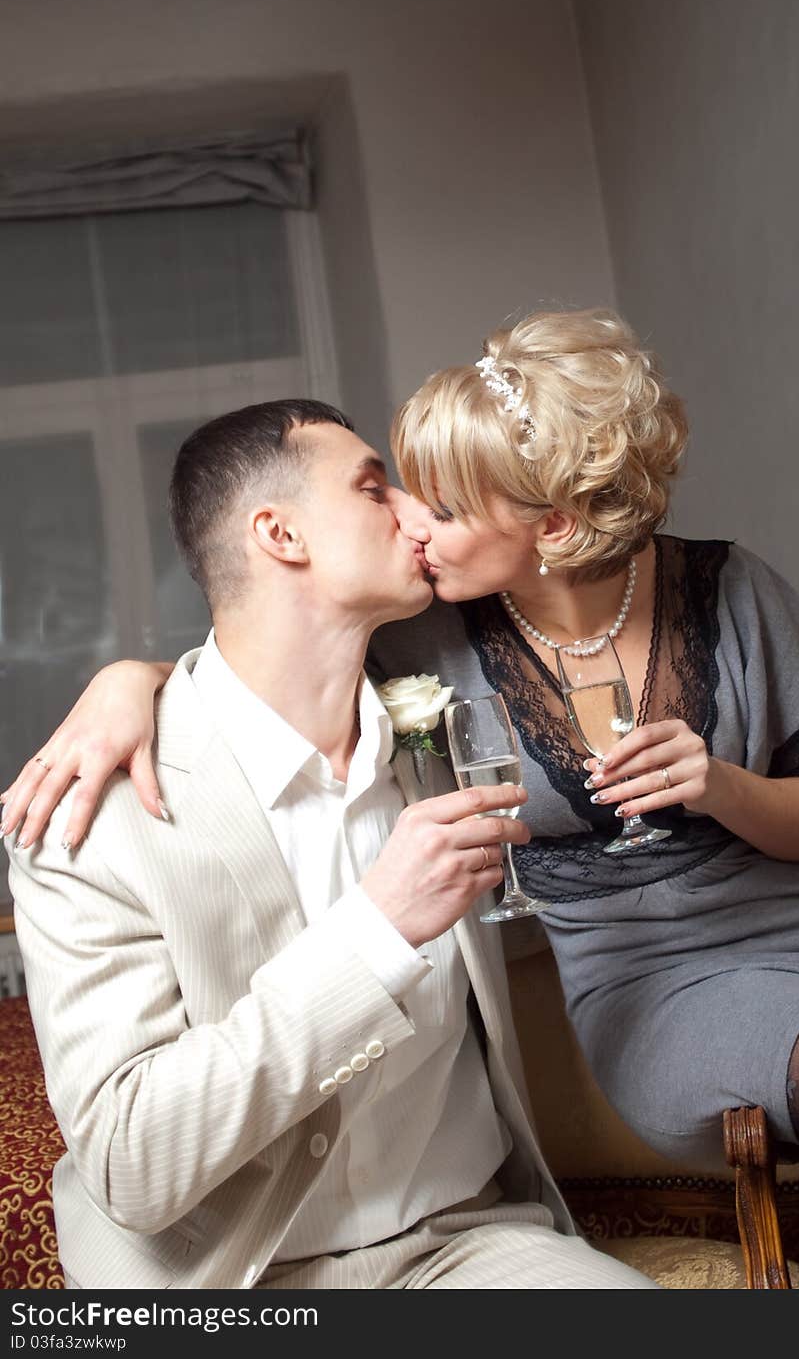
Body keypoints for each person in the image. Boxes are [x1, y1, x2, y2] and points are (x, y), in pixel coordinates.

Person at [6, 310, 799, 1194]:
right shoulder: (423, 638)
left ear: (555, 527)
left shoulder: (723, 588)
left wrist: (720, 785)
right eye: (398, 490)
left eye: (443, 504)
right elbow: (264, 651)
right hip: (654, 986)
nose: (412, 523)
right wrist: (126, 678)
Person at [2, 397, 655, 1290]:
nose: (413, 511)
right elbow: (130, 1167)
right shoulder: (89, 814)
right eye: (372, 484)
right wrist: (375, 933)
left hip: (468, 1246)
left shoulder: (449, 725)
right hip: (232, 1282)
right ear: (280, 535)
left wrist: (131, 673)